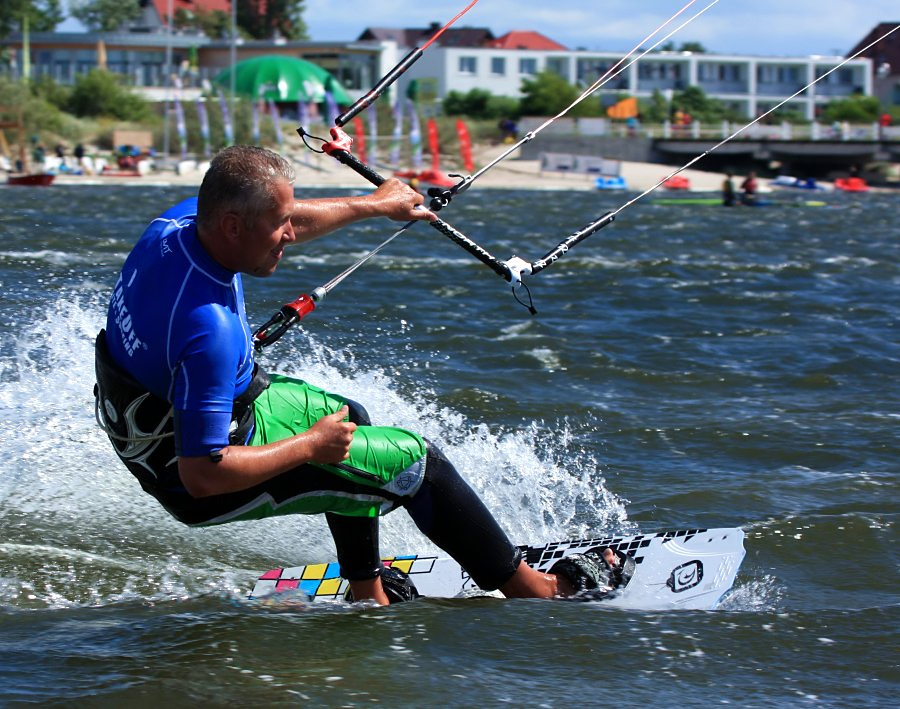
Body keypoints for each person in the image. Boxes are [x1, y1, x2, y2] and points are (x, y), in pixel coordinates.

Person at [94, 145, 614, 605]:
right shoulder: (208, 329)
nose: (290, 234)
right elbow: (203, 476)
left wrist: (374, 205)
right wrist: (308, 447)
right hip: (194, 476)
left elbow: (291, 213)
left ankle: (367, 591)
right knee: (417, 464)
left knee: (348, 416)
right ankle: (536, 589)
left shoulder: (175, 227)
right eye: (279, 226)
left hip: (167, 417)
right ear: (232, 225)